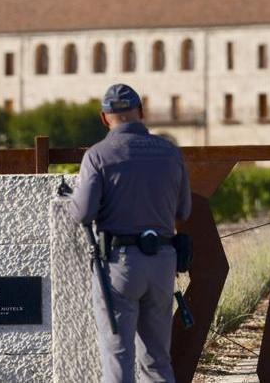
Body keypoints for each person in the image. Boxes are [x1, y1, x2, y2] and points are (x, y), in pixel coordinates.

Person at [63, 83, 192, 383]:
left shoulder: (98, 155)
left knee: (118, 359)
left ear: (104, 118)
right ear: (142, 112)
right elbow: (183, 211)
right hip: (162, 262)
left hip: (119, 266)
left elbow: (83, 213)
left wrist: (71, 198)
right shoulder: (171, 153)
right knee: (158, 360)